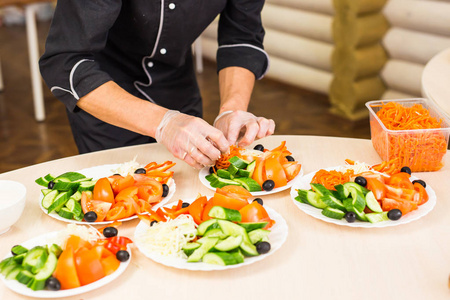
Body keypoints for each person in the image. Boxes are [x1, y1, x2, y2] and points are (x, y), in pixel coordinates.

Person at [39, 0, 275, 169]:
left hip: (177, 87)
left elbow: (241, 36)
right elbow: (66, 61)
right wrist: (164, 123)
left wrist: (232, 110)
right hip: (106, 93)